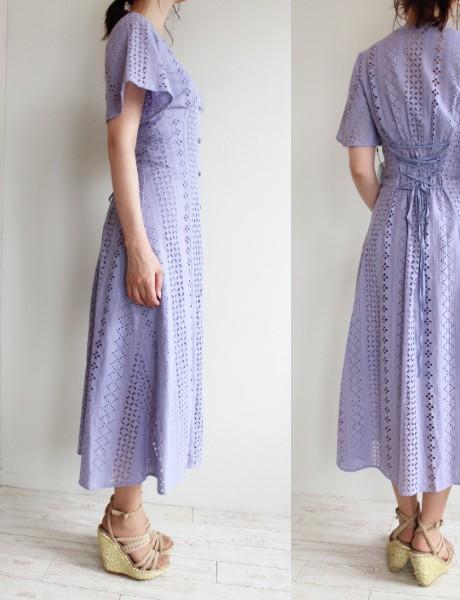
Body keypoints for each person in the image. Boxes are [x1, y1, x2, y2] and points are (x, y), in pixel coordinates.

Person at [335, 0, 460, 587]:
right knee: (453, 369)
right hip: (458, 227)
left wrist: (390, 208)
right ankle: (430, 532)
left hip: (391, 223)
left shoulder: (369, 63)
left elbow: (360, 168)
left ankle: (404, 523)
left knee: (394, 367)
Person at [76, 0, 202, 580]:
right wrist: (139, 247)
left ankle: (126, 511)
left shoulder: (148, 40)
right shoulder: (134, 32)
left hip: (166, 229)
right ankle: (124, 520)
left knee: (148, 367)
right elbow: (119, 142)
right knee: (135, 368)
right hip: (147, 231)